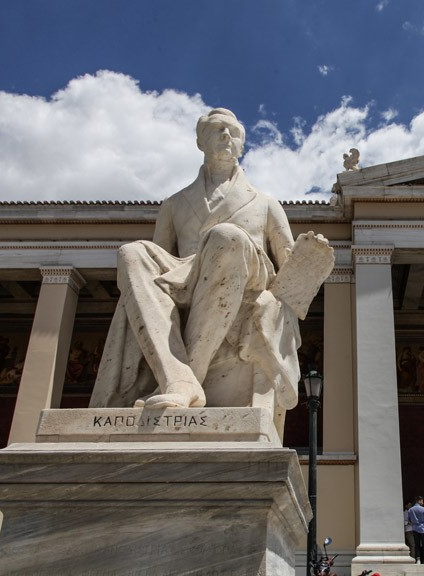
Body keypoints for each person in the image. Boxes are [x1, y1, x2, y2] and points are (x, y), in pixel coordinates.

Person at [89, 108, 333, 432]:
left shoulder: (265, 203)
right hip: (187, 276)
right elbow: (161, 259)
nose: (226, 136)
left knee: (226, 236)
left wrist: (310, 260)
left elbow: (288, 267)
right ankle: (178, 377)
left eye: (233, 132)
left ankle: (188, 376)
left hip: (247, 277)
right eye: (217, 129)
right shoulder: (175, 203)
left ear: (242, 146)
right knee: (132, 254)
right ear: (200, 141)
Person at [408, 496, 424, 565]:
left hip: (415, 529)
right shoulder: (423, 509)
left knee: (417, 545)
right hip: (423, 529)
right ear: (419, 501)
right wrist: (423, 523)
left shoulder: (410, 510)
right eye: (422, 500)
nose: (423, 502)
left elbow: (409, 521)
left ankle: (418, 560)